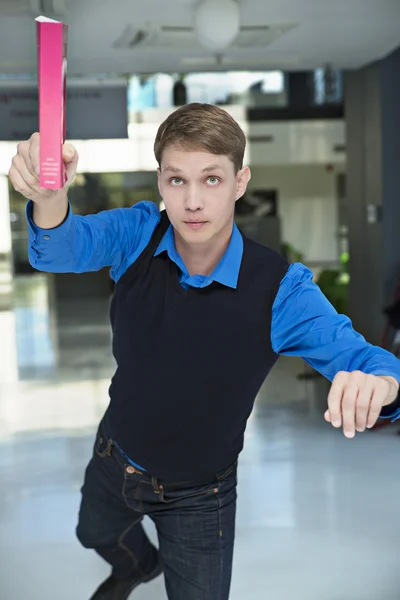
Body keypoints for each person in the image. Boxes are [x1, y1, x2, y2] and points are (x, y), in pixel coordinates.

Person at [9, 103, 400, 600]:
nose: (192, 201)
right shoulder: (136, 235)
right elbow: (61, 248)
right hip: (115, 456)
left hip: (201, 495)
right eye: (177, 181)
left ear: (240, 182)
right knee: (95, 534)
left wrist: (381, 383)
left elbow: (369, 360)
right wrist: (50, 197)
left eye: (211, 179)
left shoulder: (280, 289)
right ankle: (137, 566)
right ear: (160, 184)